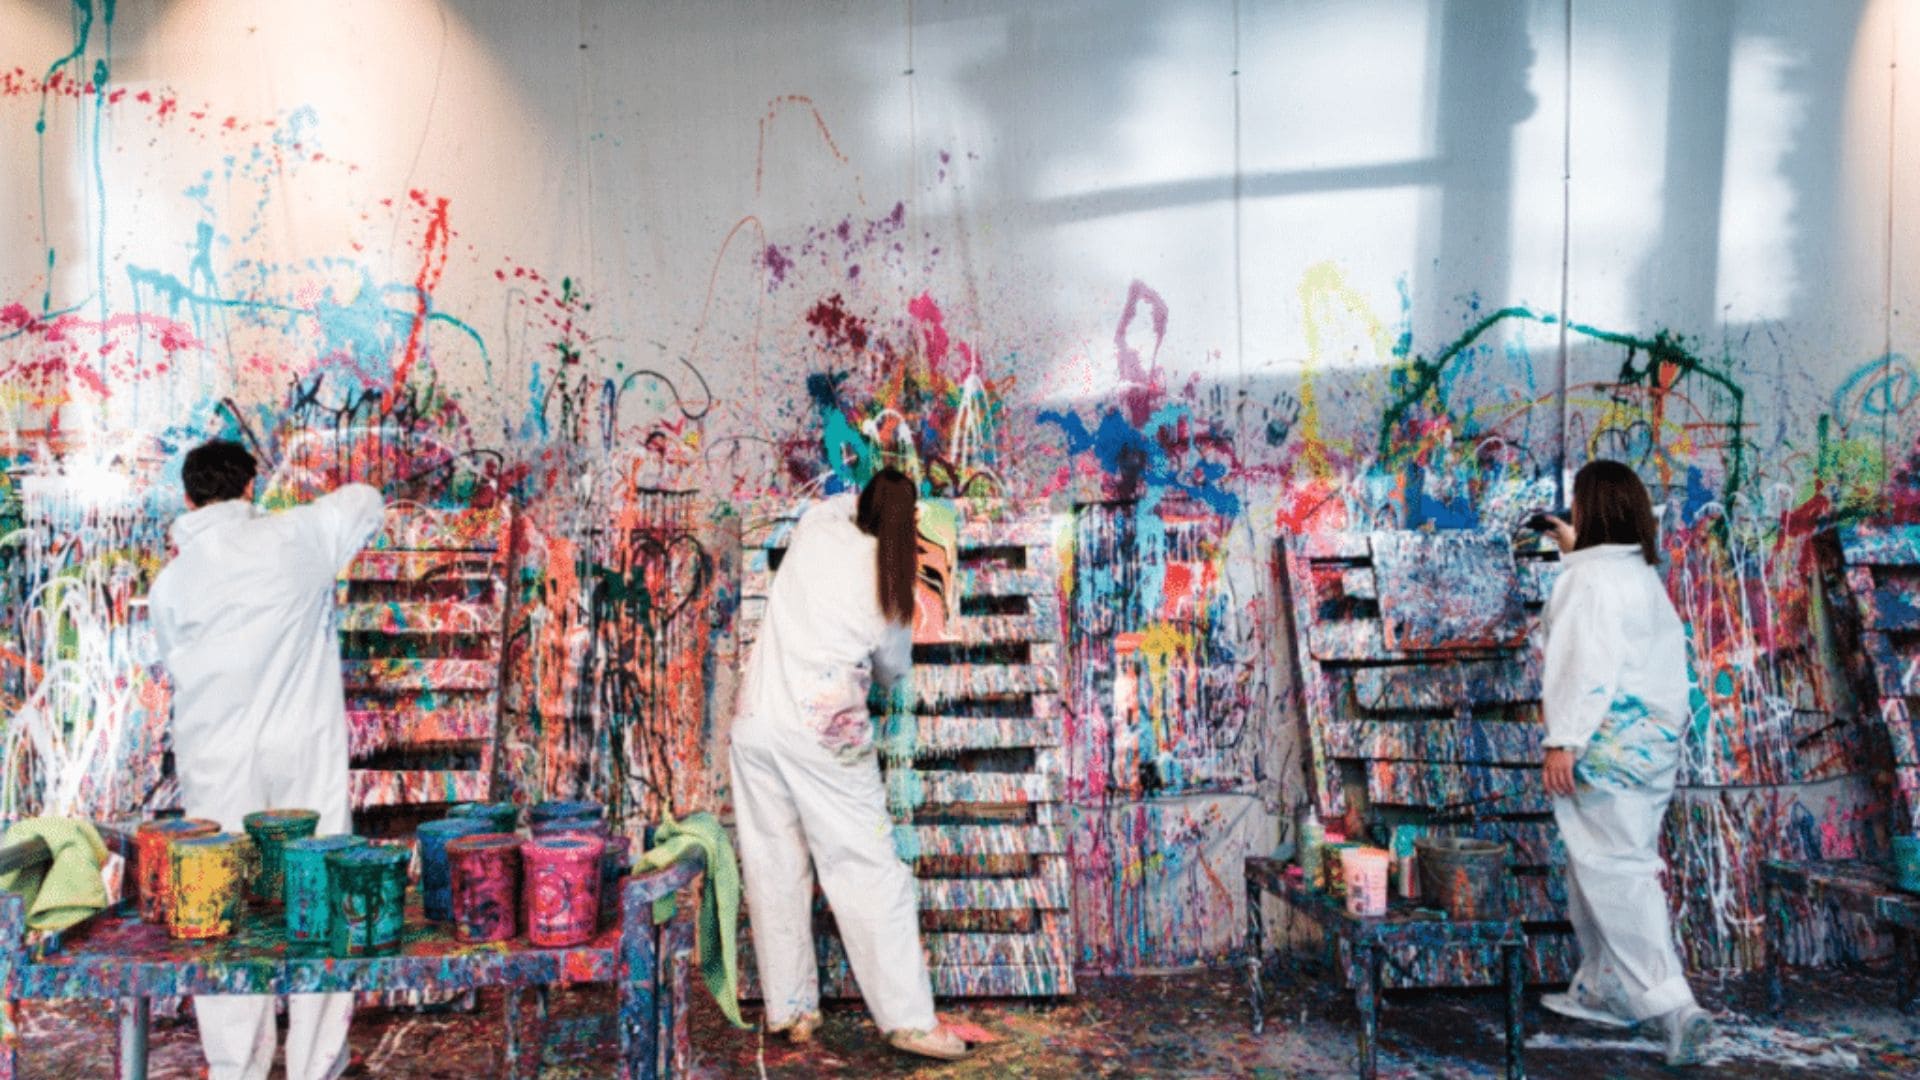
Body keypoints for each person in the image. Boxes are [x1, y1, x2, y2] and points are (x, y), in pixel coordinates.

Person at [147, 440, 386, 1080]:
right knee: (319, 902)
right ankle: (316, 1064)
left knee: (222, 909)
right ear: (251, 489)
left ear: (189, 498)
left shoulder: (172, 582)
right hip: (303, 750)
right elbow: (367, 502)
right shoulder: (300, 537)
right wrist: (297, 513)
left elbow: (175, 662)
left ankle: (236, 1068)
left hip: (217, 760)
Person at [730, 468, 968, 1061]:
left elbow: (841, 503)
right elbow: (892, 671)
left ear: (857, 503)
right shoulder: (889, 582)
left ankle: (791, 1011)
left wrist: (879, 500)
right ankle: (909, 1021)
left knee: (773, 865)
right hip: (822, 729)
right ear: (908, 529)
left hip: (757, 719)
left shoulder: (816, 528)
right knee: (867, 870)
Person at [1536, 460, 1713, 1067]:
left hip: (1604, 747)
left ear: (1590, 513)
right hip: (1648, 749)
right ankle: (1605, 984)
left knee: (1615, 869)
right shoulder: (1636, 576)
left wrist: (1565, 739)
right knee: (1598, 862)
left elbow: (1583, 662)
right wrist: (1573, 553)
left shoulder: (1589, 585)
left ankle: (1673, 1005)